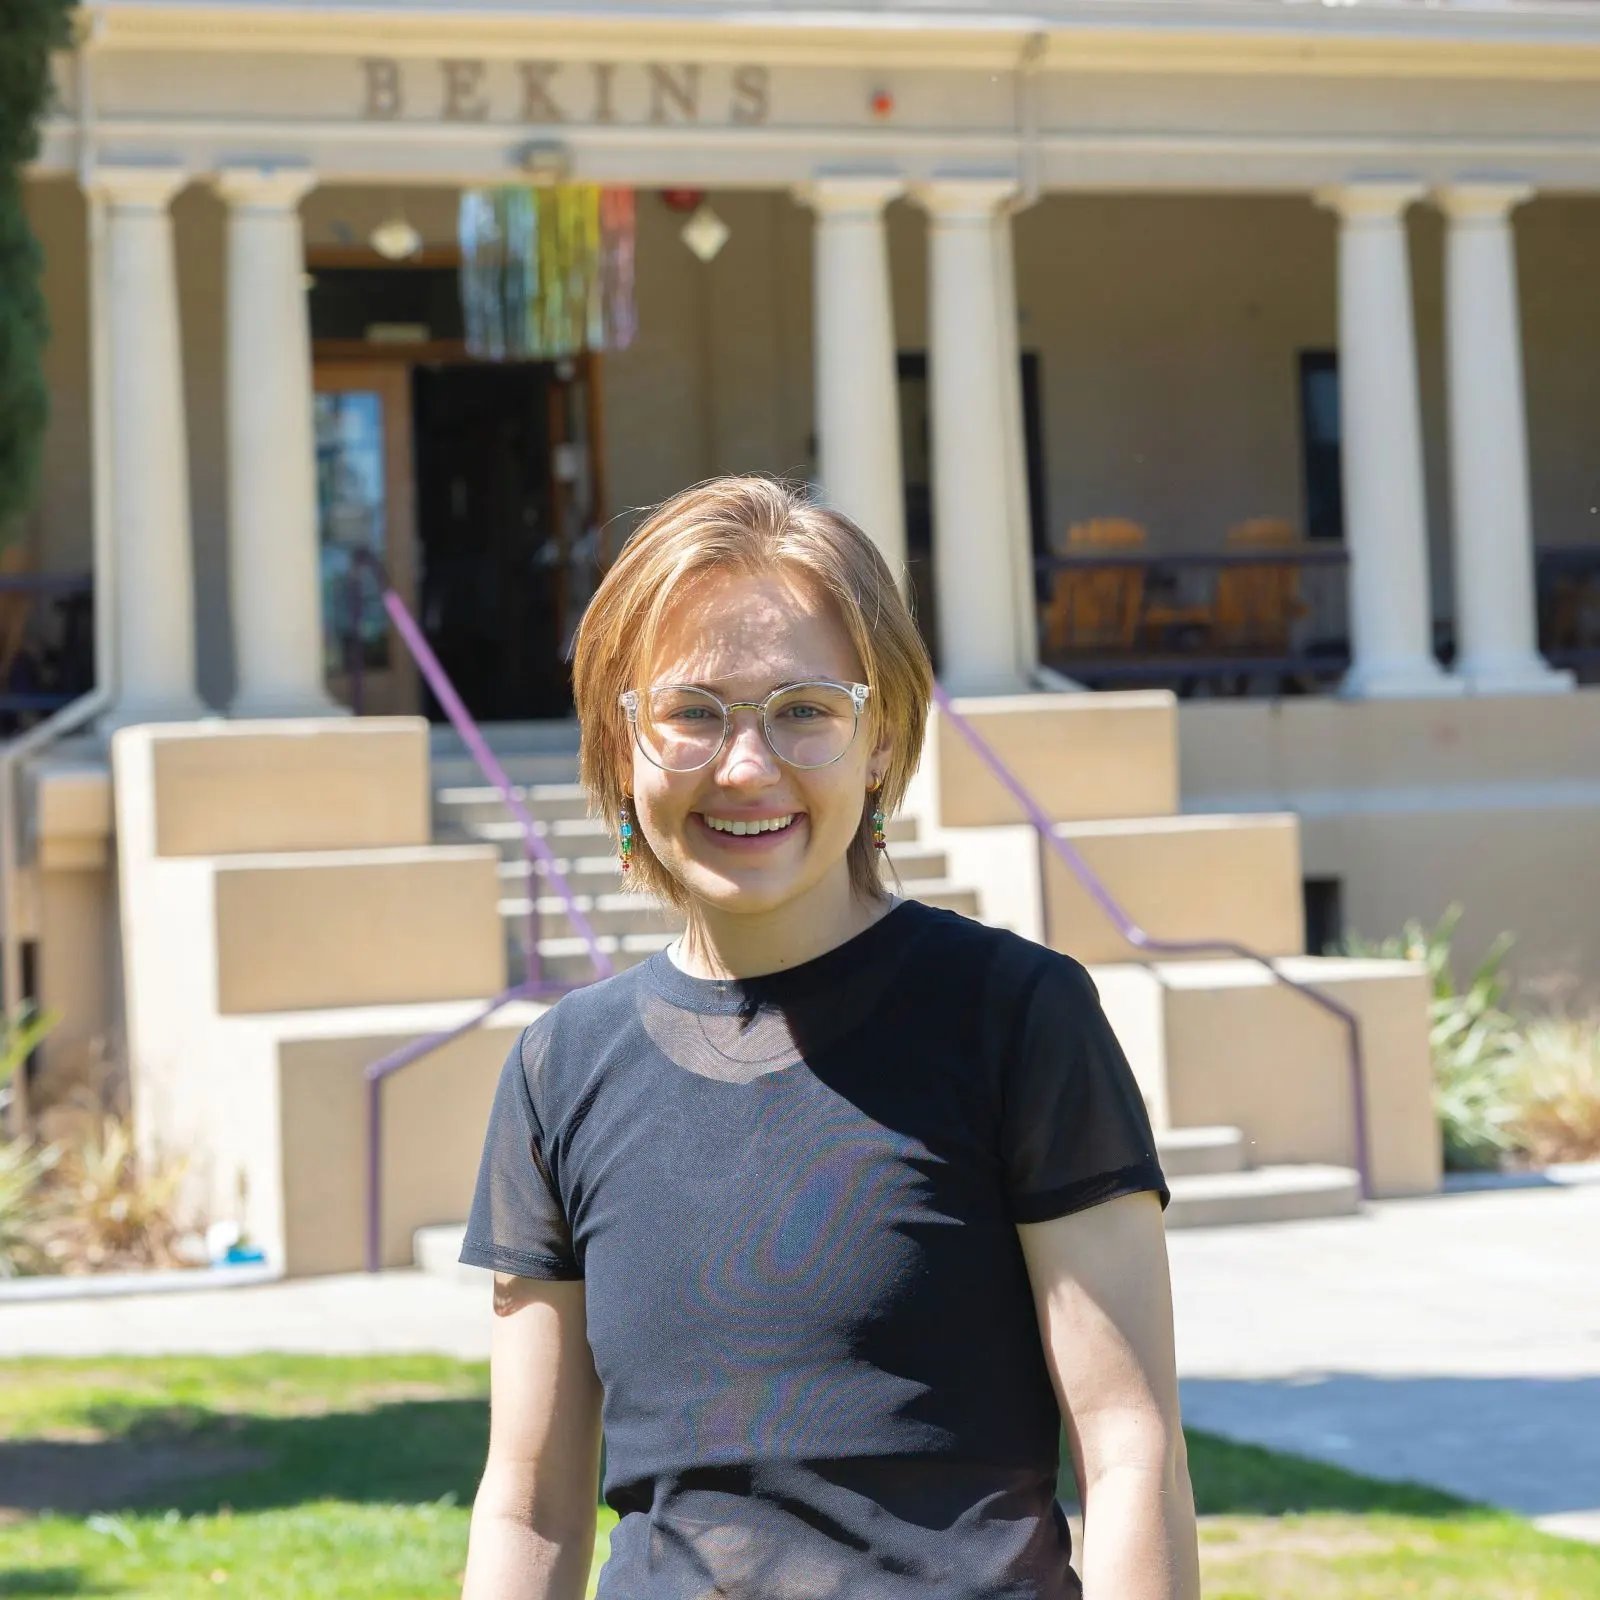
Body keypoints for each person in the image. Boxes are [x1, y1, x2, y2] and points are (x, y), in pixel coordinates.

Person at [458, 476, 1200, 1599]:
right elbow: (530, 1505)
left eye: (804, 708)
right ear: (622, 745)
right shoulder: (560, 1068)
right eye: (692, 710)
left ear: (882, 739)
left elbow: (1130, 1450)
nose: (746, 765)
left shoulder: (1016, 1015)